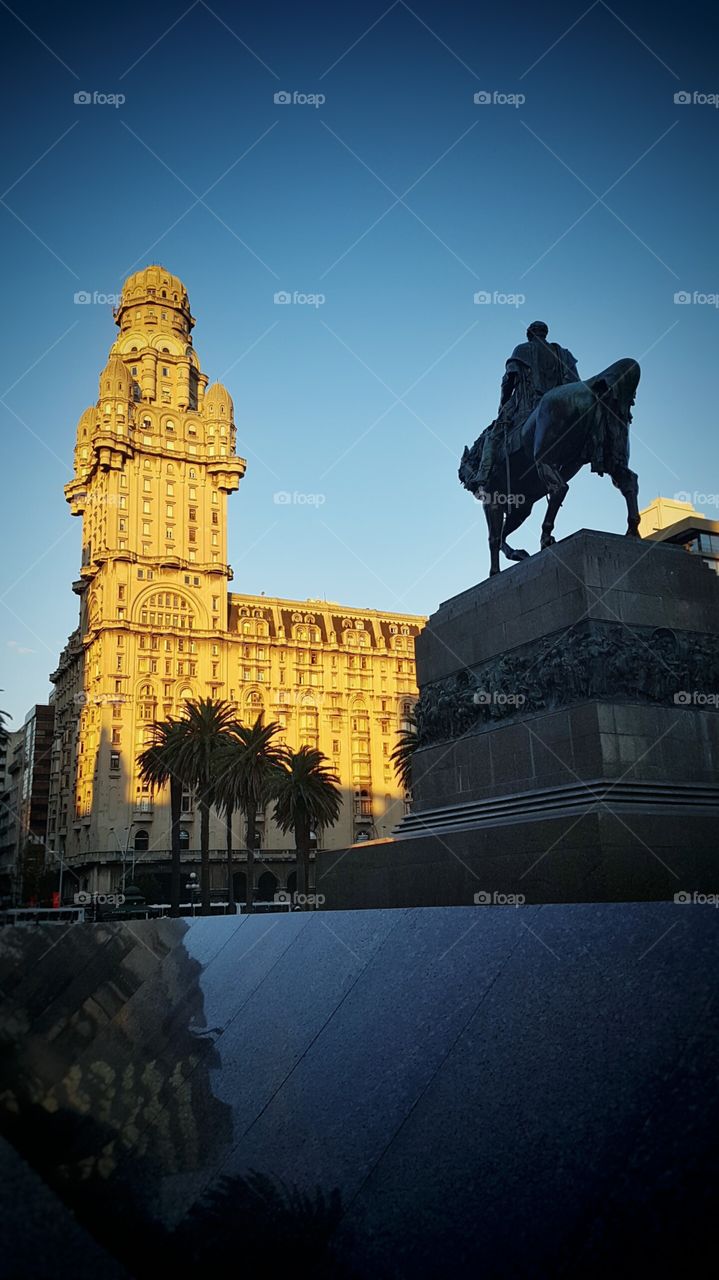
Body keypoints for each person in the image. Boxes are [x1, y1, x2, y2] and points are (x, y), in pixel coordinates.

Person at [474, 321, 579, 498]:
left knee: (492, 437)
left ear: (530, 334)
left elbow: (508, 381)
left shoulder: (522, 349)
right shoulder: (563, 353)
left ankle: (483, 475)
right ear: (545, 333)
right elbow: (575, 382)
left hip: (528, 404)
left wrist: (503, 405)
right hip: (561, 406)